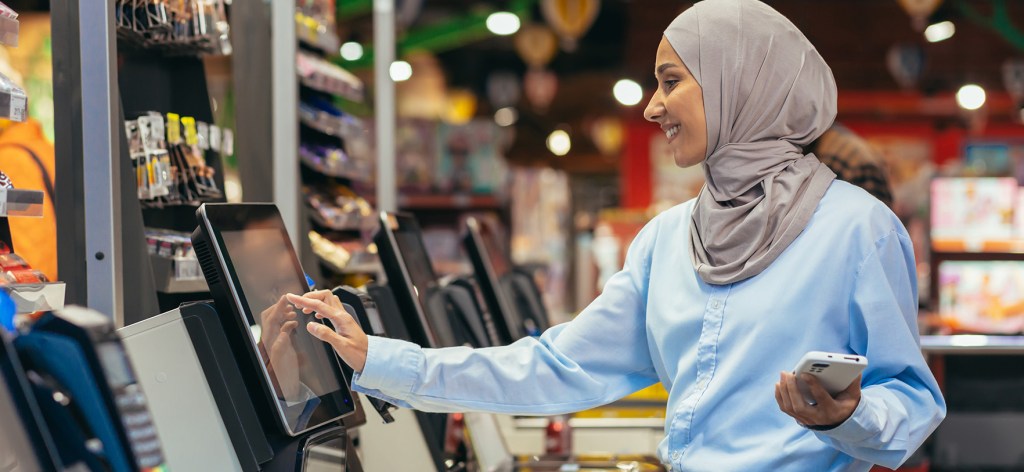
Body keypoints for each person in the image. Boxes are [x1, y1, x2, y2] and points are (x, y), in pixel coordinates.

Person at [288, 0, 946, 470]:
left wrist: (846, 417)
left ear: (738, 84)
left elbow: (912, 401)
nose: (652, 106)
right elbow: (556, 368)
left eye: (671, 83)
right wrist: (377, 360)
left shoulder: (857, 229)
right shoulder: (666, 241)